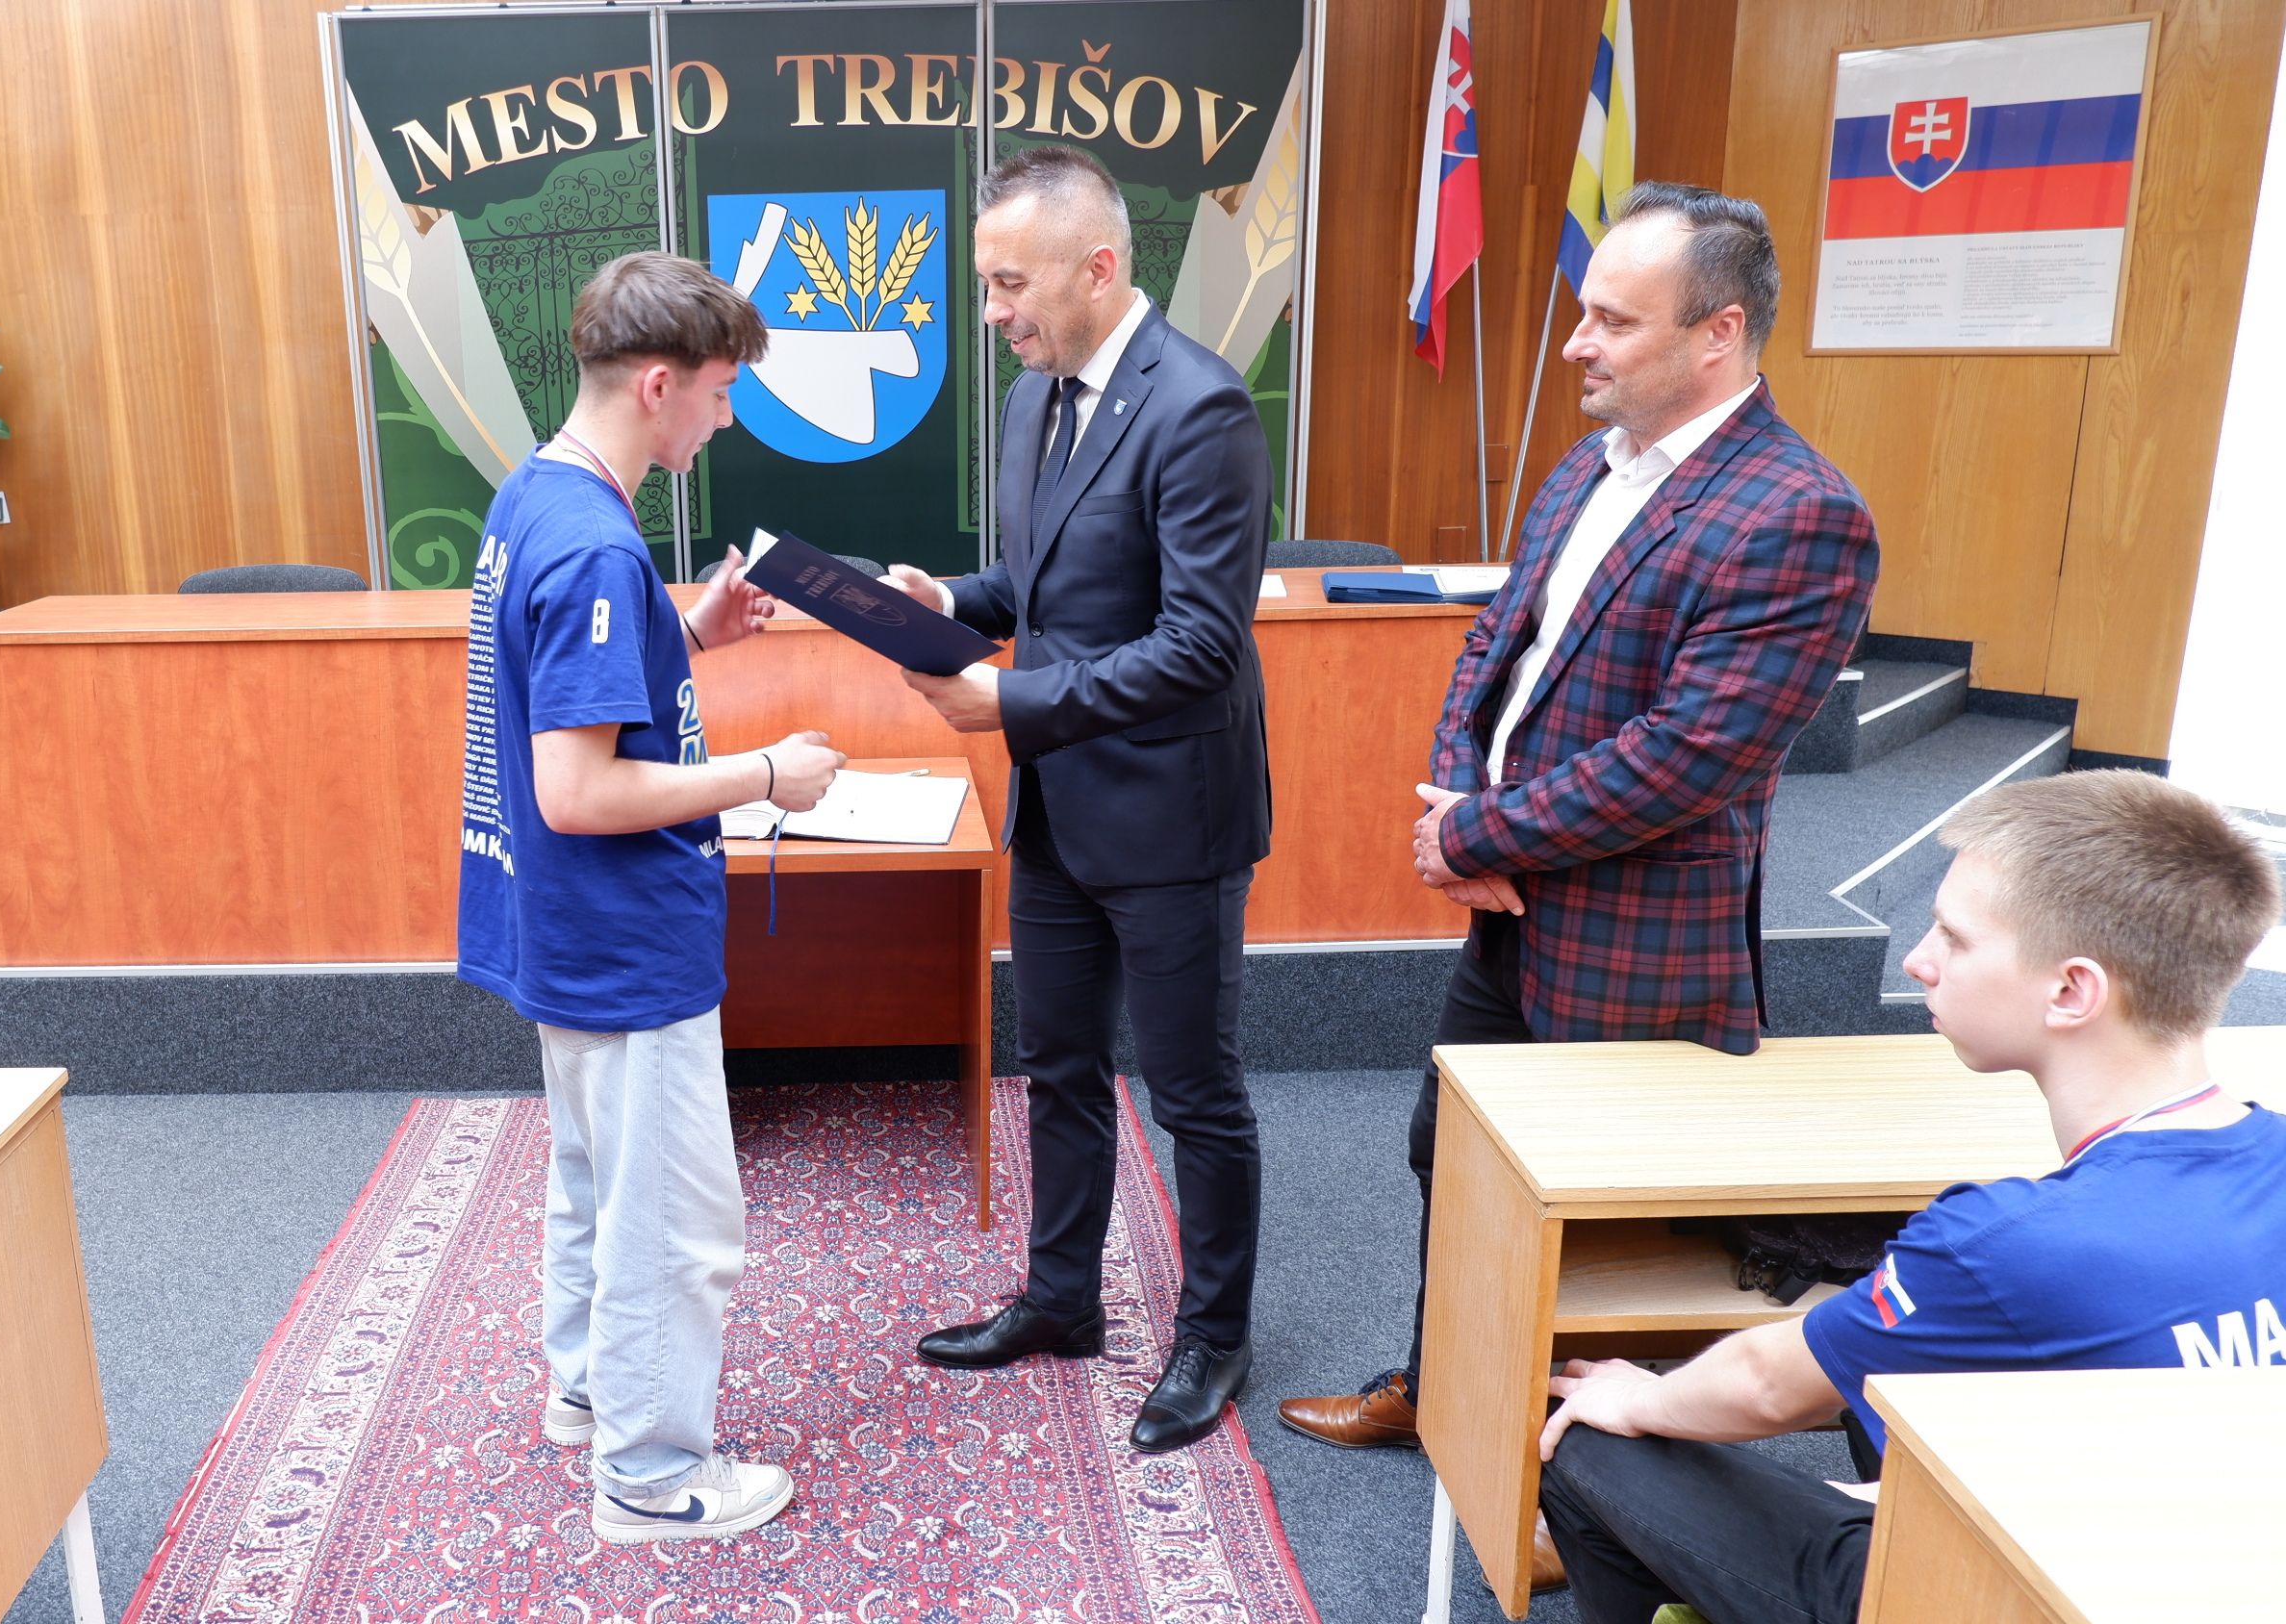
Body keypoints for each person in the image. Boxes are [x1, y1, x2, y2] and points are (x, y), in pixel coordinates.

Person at [1281, 182, 1881, 1505]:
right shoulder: (1588, 463)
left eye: (1613, 320)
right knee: (1457, 1156)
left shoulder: (1796, 512)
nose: (1575, 342)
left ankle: (1584, 1499)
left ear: (1717, 334)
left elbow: (1689, 754)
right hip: (1510, 904)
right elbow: (1496, 648)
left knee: (1603, 1216)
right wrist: (1458, 805)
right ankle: (1441, 1387)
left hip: (1635, 935)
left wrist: (1479, 829)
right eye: (1581, 312)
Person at [1534, 769, 2286, 1621]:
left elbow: (1767, 1386)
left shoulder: (2005, 1238)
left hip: (2010, 1599)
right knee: (1908, 1370)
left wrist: (1634, 1393)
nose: (1919, 961)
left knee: (1591, 1433)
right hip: (2198, 1568)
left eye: (1955, 939)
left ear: (2071, 991)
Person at [881, 144, 1273, 1454]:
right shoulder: (1032, 395)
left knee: (1192, 1089)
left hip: (1170, 817)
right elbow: (1042, 589)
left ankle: (1212, 1334)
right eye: (987, 285)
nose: (992, 311)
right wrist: (946, 600)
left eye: (1009, 284)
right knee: (1056, 1068)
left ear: (1097, 269)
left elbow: (1199, 644)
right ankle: (1061, 1301)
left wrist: (1008, 701)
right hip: (1054, 807)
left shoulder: (1201, 408)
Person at [454, 251, 845, 1543]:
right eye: (722, 393)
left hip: (563, 929)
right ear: (661, 384)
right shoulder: (592, 546)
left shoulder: (538, 494)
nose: (726, 419)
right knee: (673, 1222)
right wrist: (767, 774)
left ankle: (587, 1390)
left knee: (595, 1183)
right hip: (622, 936)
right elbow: (578, 789)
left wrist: (690, 631)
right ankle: (651, 1474)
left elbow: (562, 687)